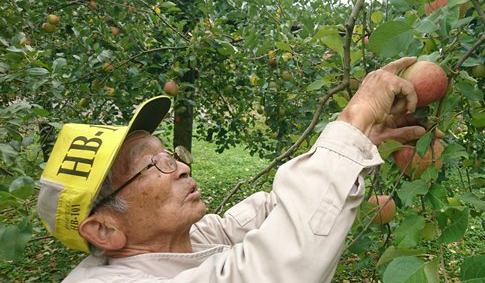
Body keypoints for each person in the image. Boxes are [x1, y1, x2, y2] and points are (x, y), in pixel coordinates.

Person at [37, 57, 430, 282]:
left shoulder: (178, 243)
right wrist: (355, 115)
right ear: (104, 229)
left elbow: (273, 213)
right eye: (154, 164)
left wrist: (358, 139)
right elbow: (272, 269)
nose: (182, 168)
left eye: (169, 154)